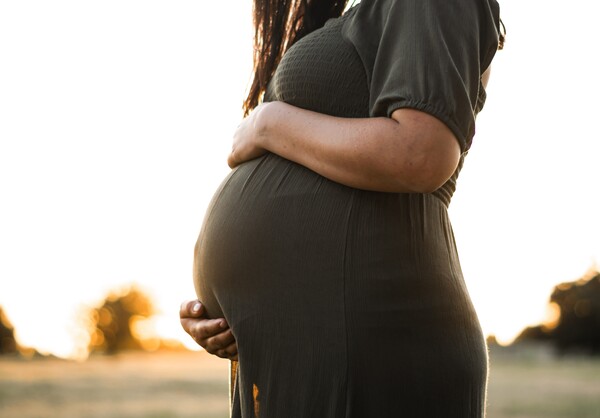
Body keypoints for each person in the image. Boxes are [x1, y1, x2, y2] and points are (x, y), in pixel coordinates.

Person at [181, 0, 504, 416]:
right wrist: (227, 310)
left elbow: (422, 152)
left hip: (372, 343)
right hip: (314, 346)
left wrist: (269, 123)